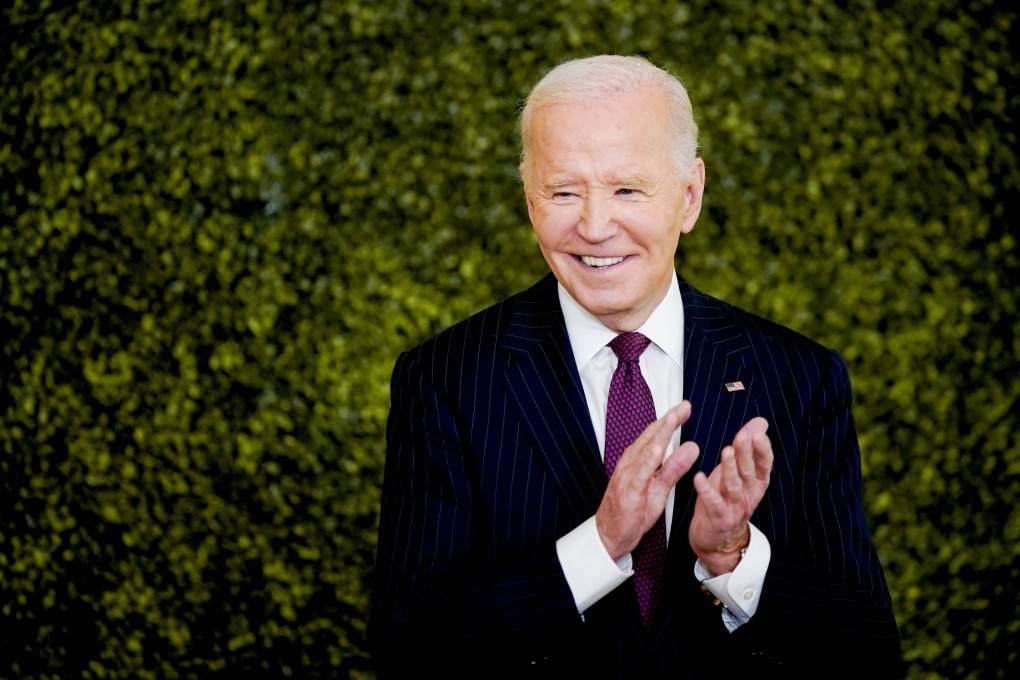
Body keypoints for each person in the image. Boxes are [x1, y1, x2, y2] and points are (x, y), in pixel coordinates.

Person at [369, 55, 902, 678]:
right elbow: (407, 646)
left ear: (689, 197)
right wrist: (598, 545)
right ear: (528, 197)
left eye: (627, 189)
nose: (595, 227)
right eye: (563, 192)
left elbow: (868, 651)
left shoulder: (800, 378)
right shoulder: (445, 378)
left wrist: (734, 558)